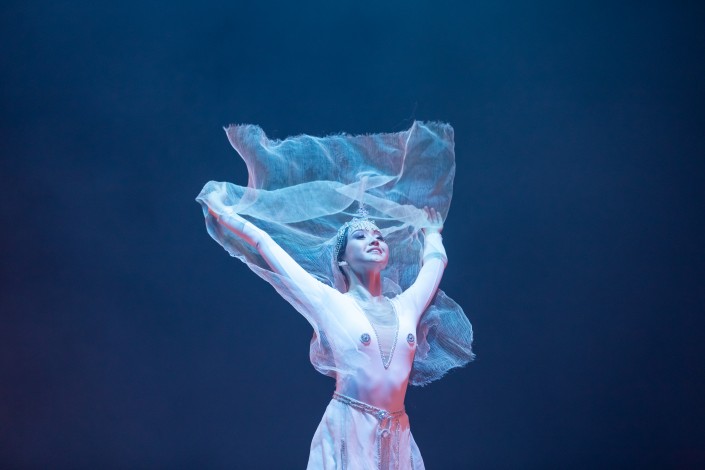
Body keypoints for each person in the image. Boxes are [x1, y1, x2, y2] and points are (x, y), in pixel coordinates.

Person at [197, 122, 474, 469]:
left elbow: (435, 265)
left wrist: (433, 233)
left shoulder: (406, 307)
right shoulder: (329, 302)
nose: (374, 240)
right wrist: (224, 213)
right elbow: (266, 244)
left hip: (396, 433)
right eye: (361, 236)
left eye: (379, 237)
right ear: (342, 259)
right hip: (348, 430)